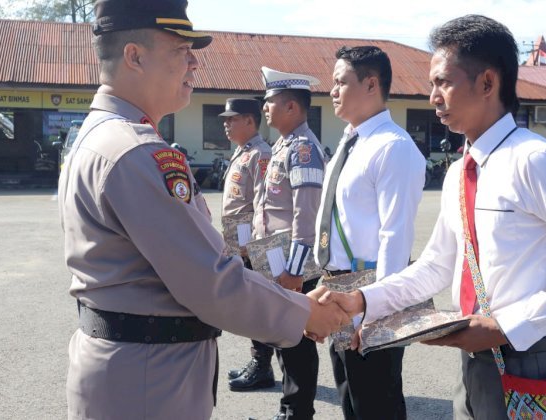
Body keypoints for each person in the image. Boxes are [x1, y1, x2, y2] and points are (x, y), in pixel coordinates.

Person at [315, 15, 546, 419]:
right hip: (473, 355)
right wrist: (362, 299)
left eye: (443, 82)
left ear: (487, 83)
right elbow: (435, 266)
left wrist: (507, 326)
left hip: (526, 355)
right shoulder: (460, 172)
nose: (433, 97)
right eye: (432, 85)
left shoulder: (536, 161)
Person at [57, 2, 348, 418]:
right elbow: (212, 284)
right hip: (147, 381)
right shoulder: (135, 151)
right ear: (134, 57)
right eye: (180, 50)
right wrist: (306, 313)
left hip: (137, 368)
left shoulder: (103, 135)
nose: (194, 62)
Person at [314, 45, 426, 420]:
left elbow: (395, 237)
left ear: (371, 84)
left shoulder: (393, 148)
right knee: (351, 396)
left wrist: (376, 313)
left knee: (377, 402)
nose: (332, 90)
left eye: (341, 82)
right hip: (339, 289)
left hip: (370, 292)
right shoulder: (351, 142)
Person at [253, 66, 326, 420]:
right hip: (275, 260)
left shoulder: (303, 150)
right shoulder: (283, 145)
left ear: (292, 107)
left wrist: (294, 271)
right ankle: (290, 410)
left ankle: (296, 414)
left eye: (271, 103)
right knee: (284, 339)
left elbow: (306, 215)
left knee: (296, 342)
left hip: (292, 265)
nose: (265, 109)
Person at [216, 98, 277, 391]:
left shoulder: (261, 155)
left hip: (252, 246)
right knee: (248, 306)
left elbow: (262, 204)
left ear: (250, 121)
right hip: (239, 244)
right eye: (225, 119)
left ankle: (262, 366)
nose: (226, 124)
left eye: (232, 119)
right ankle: (258, 361)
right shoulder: (244, 153)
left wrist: (251, 247)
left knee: (257, 307)